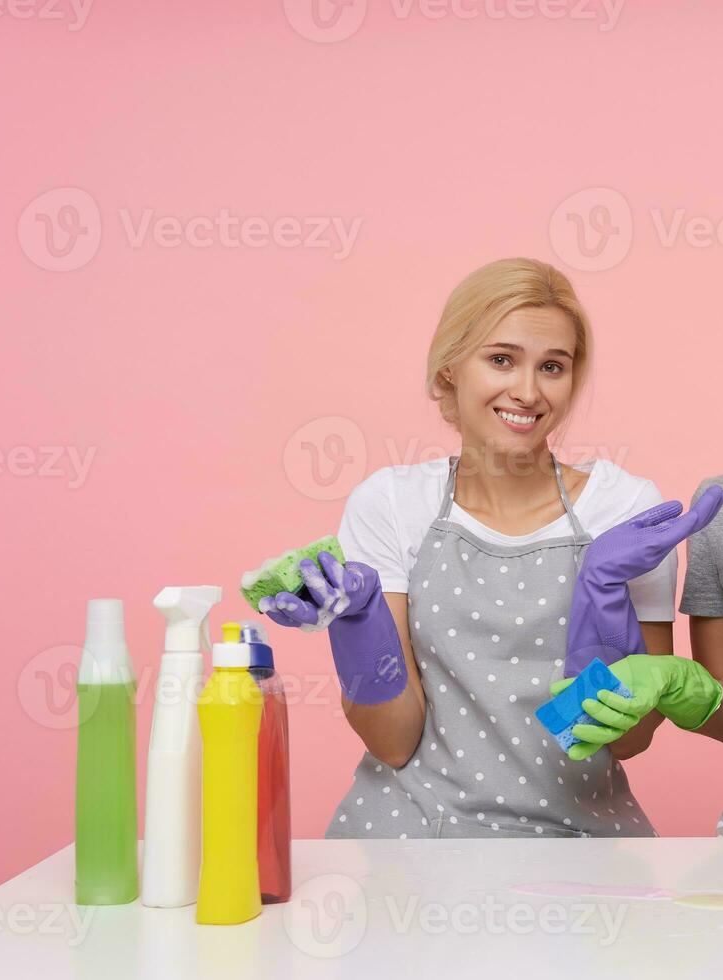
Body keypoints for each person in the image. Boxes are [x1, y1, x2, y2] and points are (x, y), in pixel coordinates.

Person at [265, 257, 677, 838]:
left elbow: (632, 740)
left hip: (578, 840)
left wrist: (605, 601)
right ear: (452, 368)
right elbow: (393, 739)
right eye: (501, 359)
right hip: (412, 836)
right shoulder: (391, 504)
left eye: (552, 366)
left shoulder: (623, 509)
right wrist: (360, 626)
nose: (528, 391)